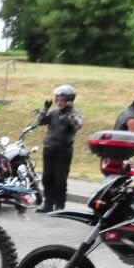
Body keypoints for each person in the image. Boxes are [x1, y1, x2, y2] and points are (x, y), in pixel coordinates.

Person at [36, 84, 84, 213]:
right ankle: (48, 204)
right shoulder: (54, 112)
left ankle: (59, 205)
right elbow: (40, 121)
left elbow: (78, 125)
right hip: (49, 148)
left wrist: (69, 111)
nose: (59, 102)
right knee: (47, 178)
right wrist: (45, 108)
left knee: (60, 180)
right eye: (58, 99)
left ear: (69, 100)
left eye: (62, 99)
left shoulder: (74, 113)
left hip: (63, 151)